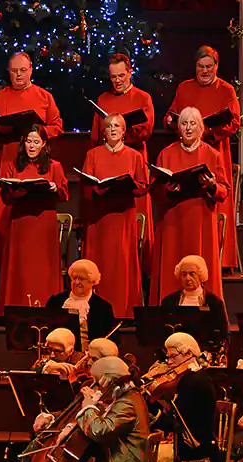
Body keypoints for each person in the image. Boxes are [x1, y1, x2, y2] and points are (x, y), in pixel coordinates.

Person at [169, 46, 242, 270]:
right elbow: (173, 113)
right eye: (201, 67)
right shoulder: (185, 87)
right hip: (187, 151)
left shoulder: (226, 90)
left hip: (215, 150)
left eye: (209, 67)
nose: (205, 71)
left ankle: (221, 259)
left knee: (216, 199)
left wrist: (210, 132)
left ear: (216, 67)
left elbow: (235, 121)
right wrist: (171, 121)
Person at [152, 106, 230, 302]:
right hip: (173, 220)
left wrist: (212, 186)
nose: (188, 128)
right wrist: (168, 189)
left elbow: (224, 191)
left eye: (193, 123)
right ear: (178, 128)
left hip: (200, 218)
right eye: (184, 123)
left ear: (201, 128)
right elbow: (155, 191)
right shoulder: (166, 154)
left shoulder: (212, 155)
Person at [79, 114, 149, 315]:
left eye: (117, 126)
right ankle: (93, 311)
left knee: (121, 263)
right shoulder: (93, 154)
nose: (112, 129)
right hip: (99, 217)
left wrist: (129, 185)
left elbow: (143, 185)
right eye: (109, 126)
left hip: (122, 215)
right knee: (98, 262)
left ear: (124, 131)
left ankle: (122, 310)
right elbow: (86, 183)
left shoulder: (134, 156)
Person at [0, 127, 67, 311]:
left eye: (36, 142)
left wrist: (53, 188)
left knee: (41, 268)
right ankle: (15, 307)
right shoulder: (14, 165)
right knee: (19, 267)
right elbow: (6, 197)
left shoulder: (54, 166)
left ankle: (45, 306)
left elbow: (64, 194)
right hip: (20, 221)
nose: (31, 146)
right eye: (28, 141)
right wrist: (9, 188)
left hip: (43, 222)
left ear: (44, 145)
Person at [153, 333, 223, 462]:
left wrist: (153, 412)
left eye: (173, 357)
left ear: (189, 355)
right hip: (188, 438)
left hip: (194, 444)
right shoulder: (189, 379)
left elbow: (181, 418)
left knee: (150, 455)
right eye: (167, 357)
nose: (169, 362)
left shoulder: (195, 382)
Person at [0, 53, 63, 158]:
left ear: (30, 70)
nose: (18, 74)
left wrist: (39, 131)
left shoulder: (44, 96)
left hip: (36, 160)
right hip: (6, 157)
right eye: (14, 71)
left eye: (23, 70)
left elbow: (57, 128)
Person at [94, 53, 156, 152]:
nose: (117, 80)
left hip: (135, 156)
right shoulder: (102, 99)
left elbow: (146, 133)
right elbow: (95, 138)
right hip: (108, 156)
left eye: (121, 75)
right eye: (113, 77)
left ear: (130, 73)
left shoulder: (143, 98)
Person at [163, 255, 229, 345]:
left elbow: (223, 335)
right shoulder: (169, 301)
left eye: (192, 274)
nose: (188, 278)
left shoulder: (214, 302)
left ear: (200, 276)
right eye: (184, 274)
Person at [47, 259, 116, 341]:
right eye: (74, 278)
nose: (76, 282)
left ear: (92, 282)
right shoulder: (56, 301)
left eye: (81, 279)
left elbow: (112, 340)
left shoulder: (103, 307)